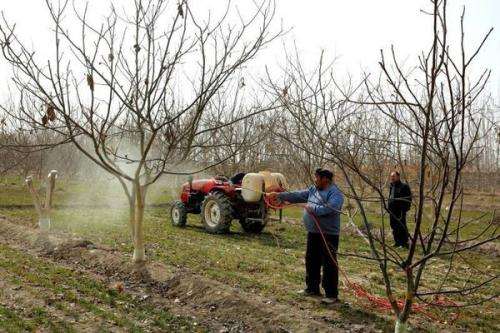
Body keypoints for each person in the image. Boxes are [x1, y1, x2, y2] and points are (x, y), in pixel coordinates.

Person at [268, 168, 344, 304]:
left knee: (329, 263)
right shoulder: (313, 190)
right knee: (311, 260)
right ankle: (312, 288)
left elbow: (331, 208)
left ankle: (331, 294)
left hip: (328, 234)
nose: (315, 180)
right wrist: (280, 195)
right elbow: (297, 195)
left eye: (317, 178)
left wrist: (312, 209)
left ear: (325, 179)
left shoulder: (335, 193)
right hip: (313, 232)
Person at [388, 171, 412, 248]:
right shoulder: (391, 186)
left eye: (394, 176)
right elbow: (390, 197)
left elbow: (409, 198)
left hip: (400, 210)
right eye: (391, 176)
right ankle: (397, 242)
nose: (392, 177)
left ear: (398, 177)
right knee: (393, 226)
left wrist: (404, 209)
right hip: (392, 210)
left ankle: (404, 243)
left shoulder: (404, 186)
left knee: (401, 226)